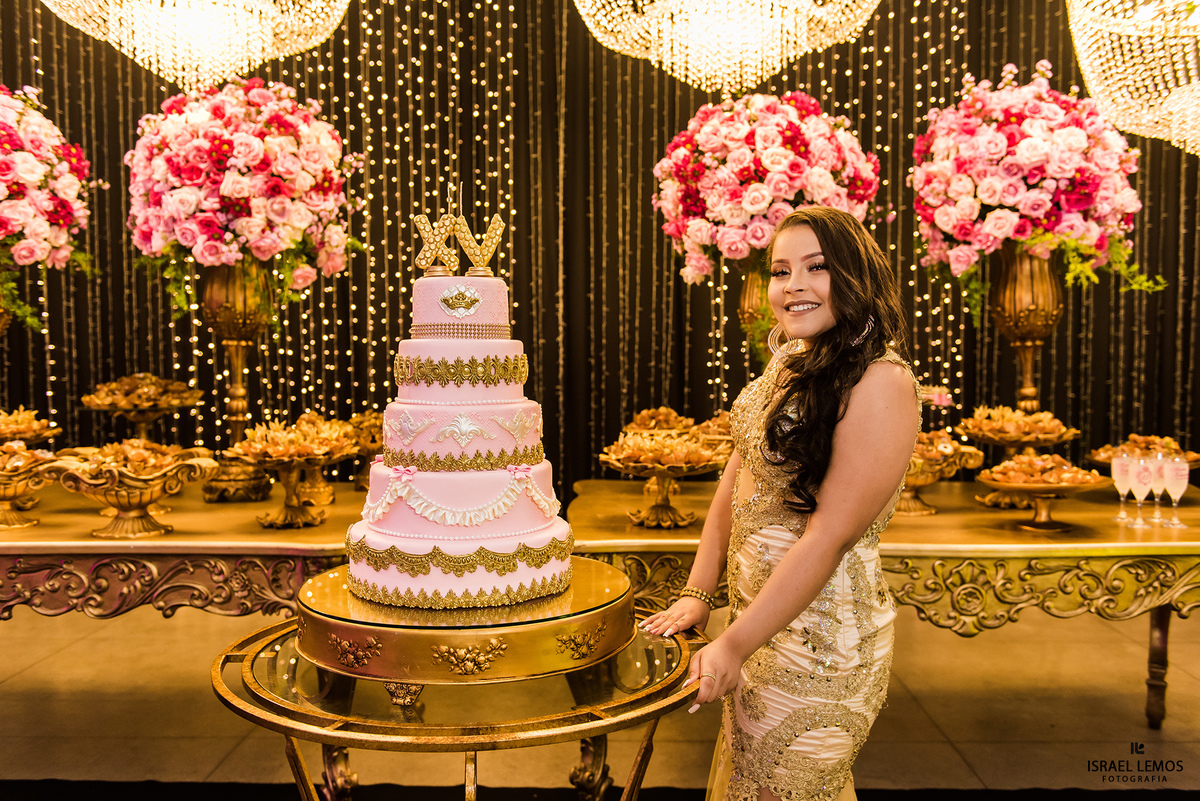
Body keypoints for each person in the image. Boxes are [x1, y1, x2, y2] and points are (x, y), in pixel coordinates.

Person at [641, 206, 920, 801]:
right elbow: (736, 478)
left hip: (822, 647)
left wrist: (734, 643)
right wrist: (699, 593)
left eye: (816, 268)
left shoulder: (883, 383)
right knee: (748, 782)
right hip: (759, 625)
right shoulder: (792, 362)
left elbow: (828, 537)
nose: (793, 285)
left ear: (856, 276)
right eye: (780, 270)